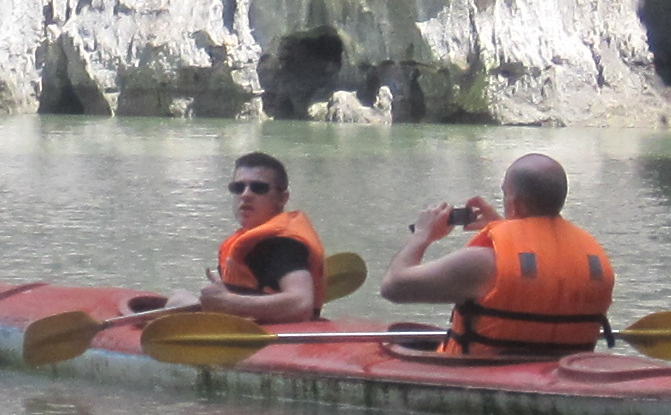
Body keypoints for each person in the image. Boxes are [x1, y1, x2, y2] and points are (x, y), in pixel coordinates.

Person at [381, 152, 615, 357]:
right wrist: (507, 228)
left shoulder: (481, 263)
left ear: (514, 204)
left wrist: (422, 235)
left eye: (504, 194)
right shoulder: (596, 261)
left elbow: (393, 286)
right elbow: (538, 267)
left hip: (481, 370)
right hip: (562, 369)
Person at [196, 151, 327, 323]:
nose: (245, 194)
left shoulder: (283, 245)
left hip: (276, 335)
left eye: (258, 188)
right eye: (238, 188)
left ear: (282, 198)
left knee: (180, 300)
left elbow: (301, 304)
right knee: (180, 298)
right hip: (248, 327)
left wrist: (229, 303)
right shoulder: (252, 240)